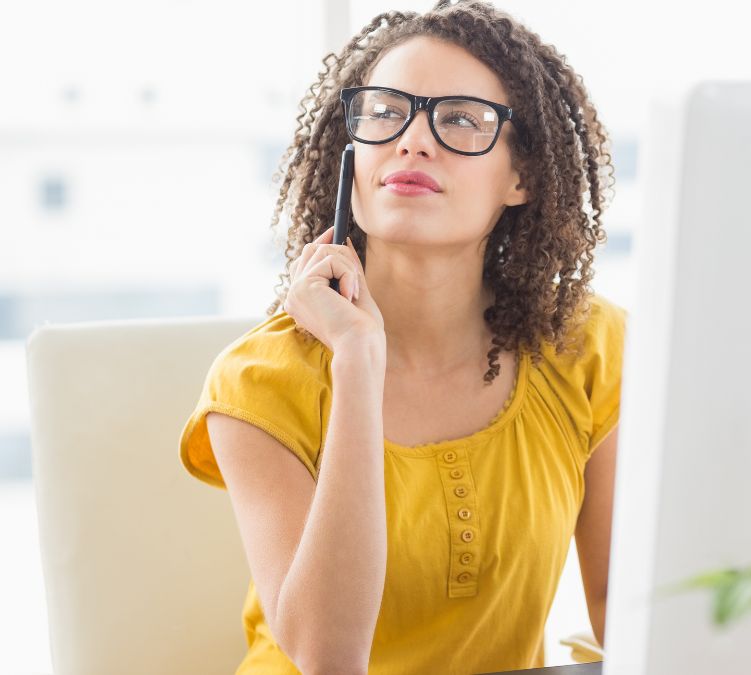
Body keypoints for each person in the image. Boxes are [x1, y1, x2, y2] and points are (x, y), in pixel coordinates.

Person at [177, 1, 625, 672]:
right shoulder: (258, 380)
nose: (413, 140)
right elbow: (330, 657)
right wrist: (358, 360)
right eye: (386, 112)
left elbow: (632, 611)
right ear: (348, 160)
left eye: (460, 120)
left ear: (522, 176)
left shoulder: (585, 344)